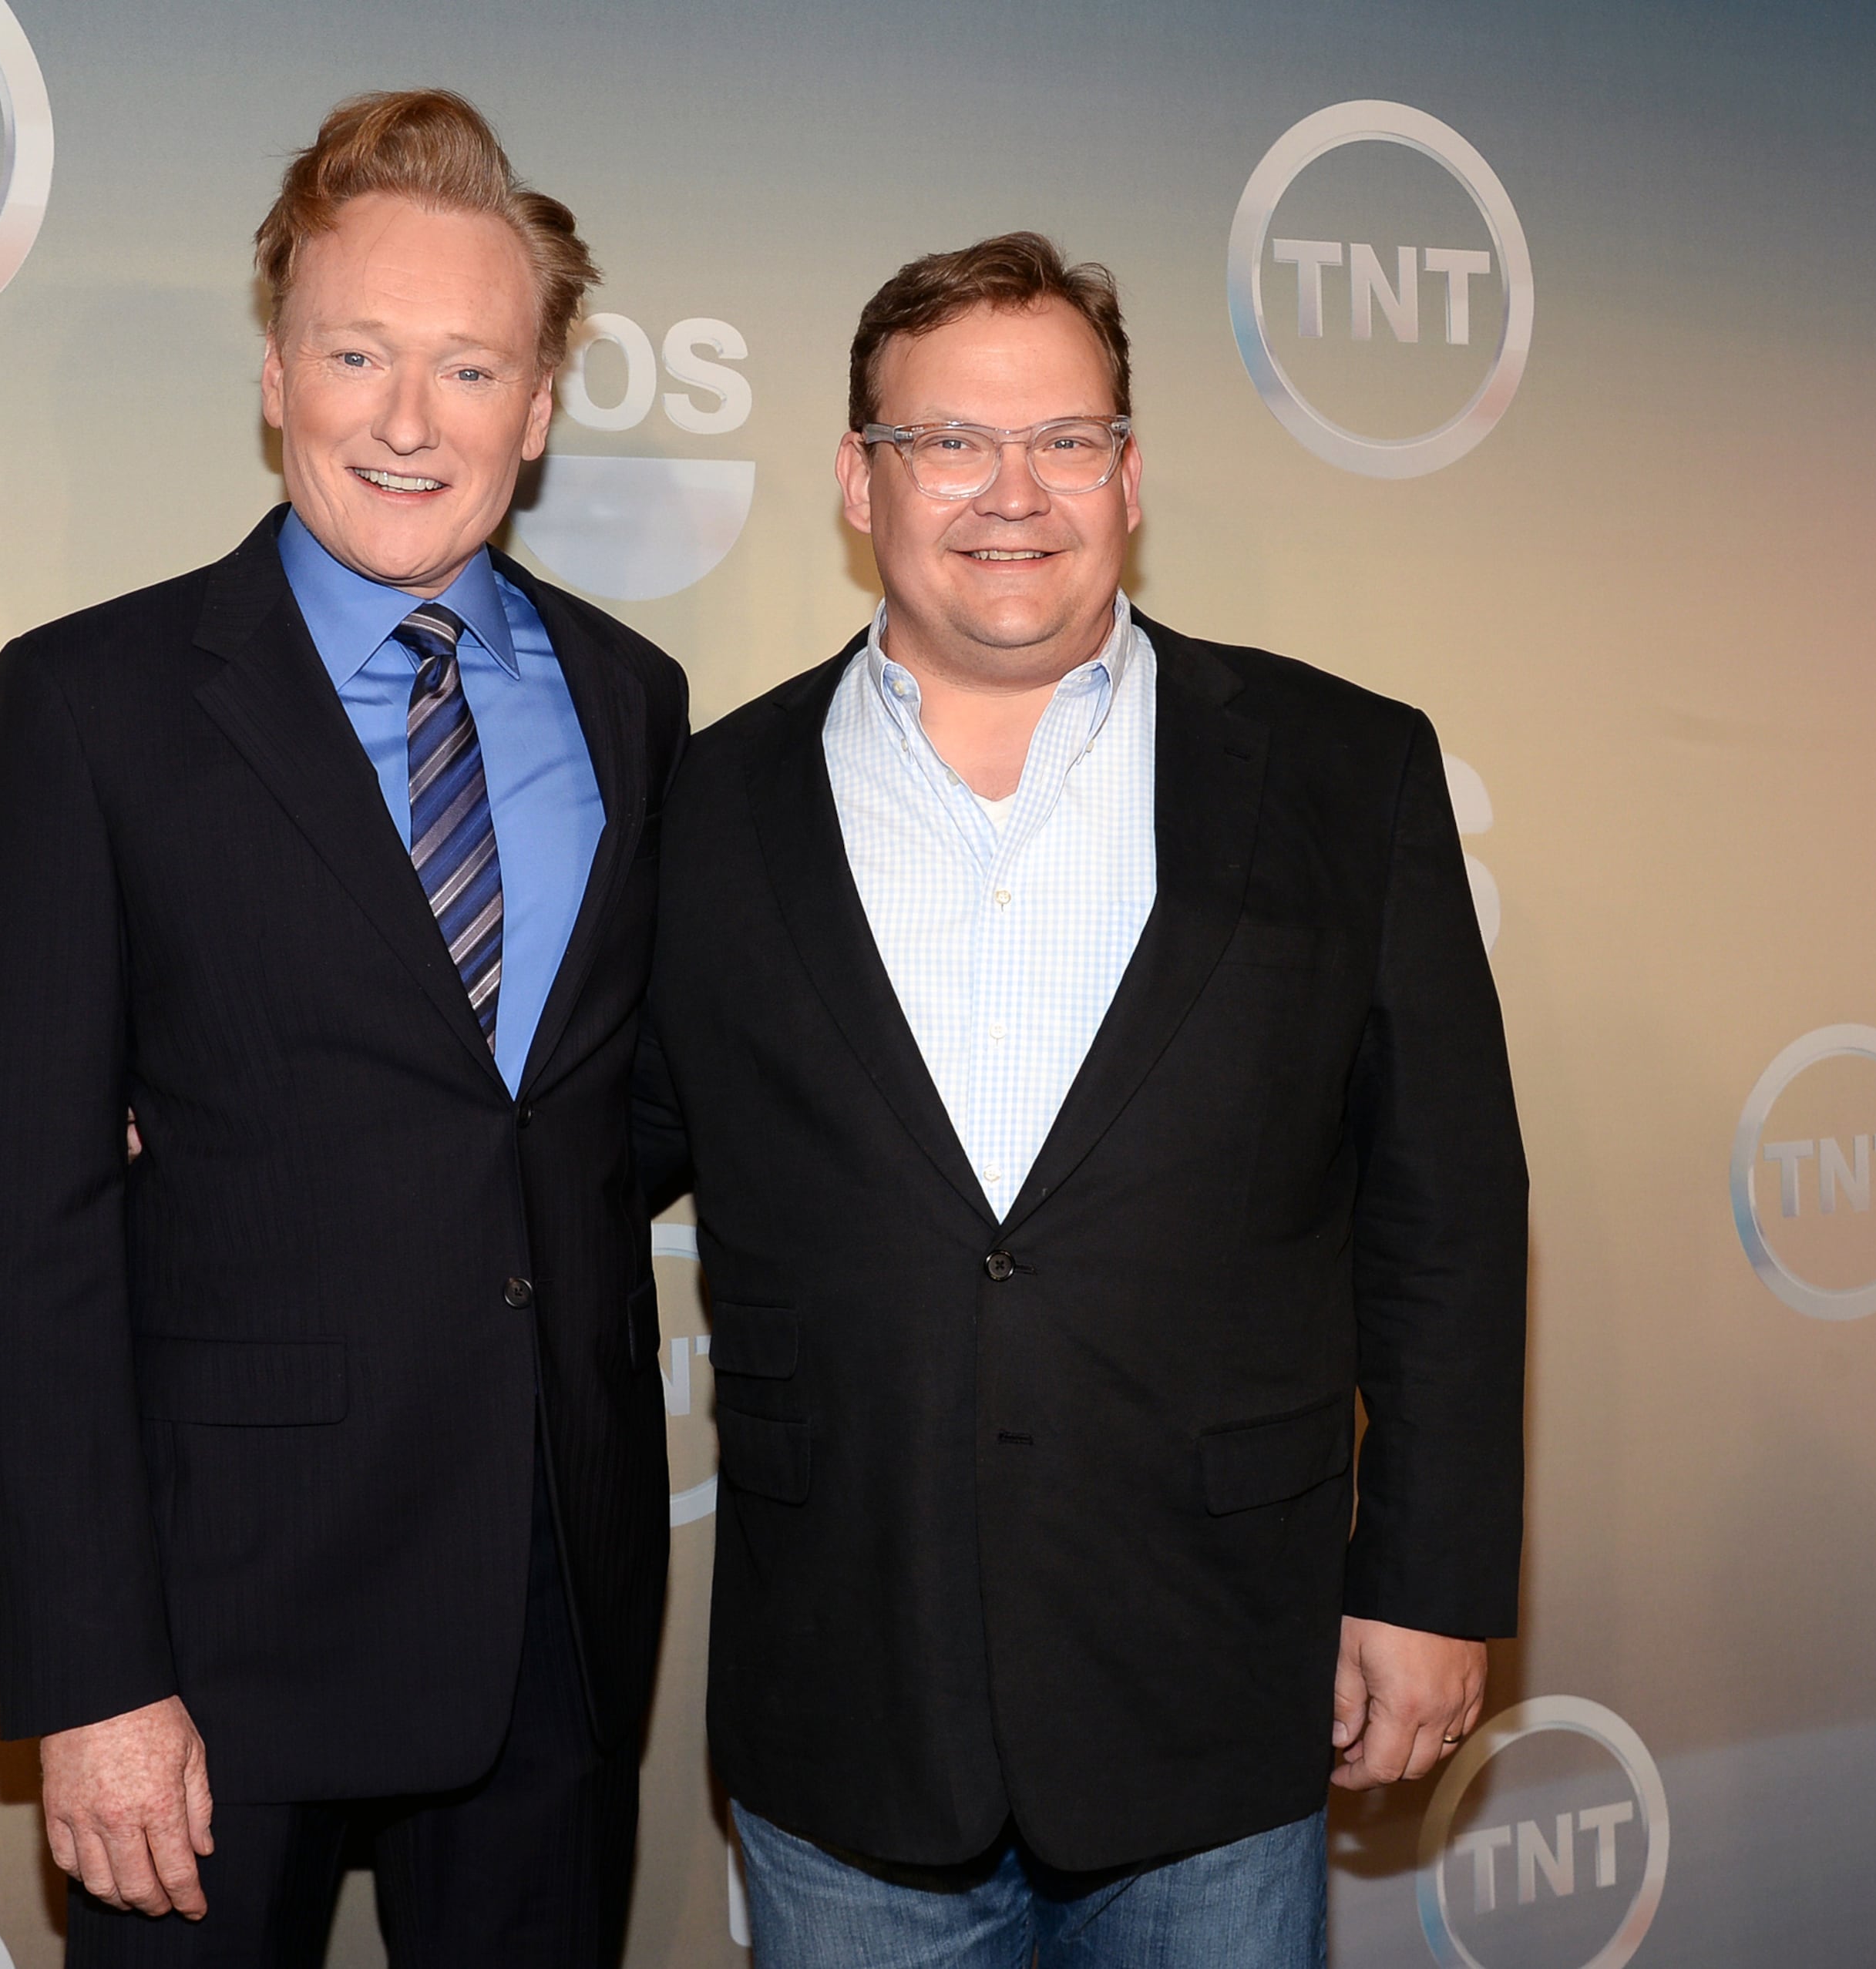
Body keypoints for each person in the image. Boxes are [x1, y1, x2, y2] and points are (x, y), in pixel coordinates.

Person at [633, 234, 1528, 1966]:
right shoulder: (711, 807)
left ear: (1127, 472)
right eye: (948, 441)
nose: (1010, 493)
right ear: (857, 479)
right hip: (849, 1706)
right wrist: (239, 1118)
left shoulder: (1346, 772)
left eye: (1063, 439)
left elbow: (1448, 1219)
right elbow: (570, 1145)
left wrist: (1426, 1584)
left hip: (1217, 1690)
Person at [0, 90, 688, 1968]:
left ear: (540, 403)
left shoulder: (636, 700)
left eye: (468, 365)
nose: (409, 419)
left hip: (552, 1607)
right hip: (215, 1636)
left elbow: (615, 1111)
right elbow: (23, 1236)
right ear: (278, 376)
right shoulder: (89, 708)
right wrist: (92, 1678)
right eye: (358, 354)